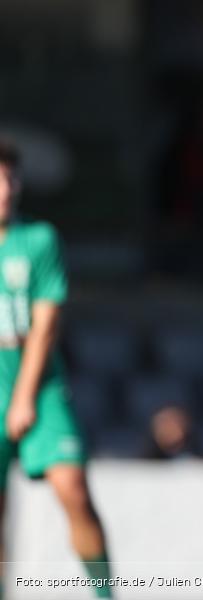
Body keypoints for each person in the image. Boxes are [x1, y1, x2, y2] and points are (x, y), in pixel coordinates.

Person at [0, 139, 113, 598]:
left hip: (37, 384)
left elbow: (46, 326)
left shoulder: (38, 240)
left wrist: (23, 397)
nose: (4, 189)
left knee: (72, 487)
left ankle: (105, 592)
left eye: (9, 178)